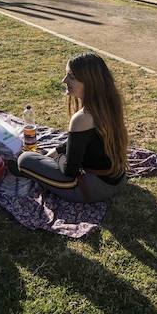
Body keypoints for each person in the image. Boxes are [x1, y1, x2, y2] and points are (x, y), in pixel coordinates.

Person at [17, 53, 128, 203]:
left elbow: (70, 171)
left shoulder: (82, 118)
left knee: (24, 160)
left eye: (71, 77)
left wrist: (58, 158)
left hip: (92, 188)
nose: (64, 80)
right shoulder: (109, 104)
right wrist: (56, 151)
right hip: (118, 179)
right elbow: (81, 140)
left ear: (89, 83)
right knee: (47, 153)